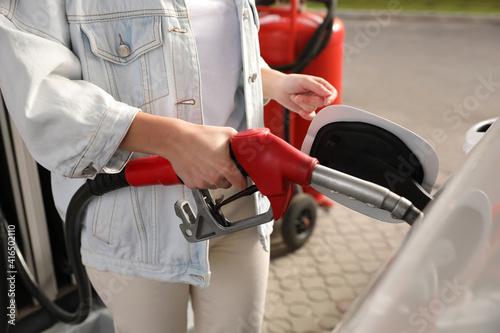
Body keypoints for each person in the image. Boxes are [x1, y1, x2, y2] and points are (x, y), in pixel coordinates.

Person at [0, 0, 337, 332]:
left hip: (240, 204)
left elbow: (211, 48)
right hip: (140, 223)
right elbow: (42, 98)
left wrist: (273, 82)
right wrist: (175, 141)